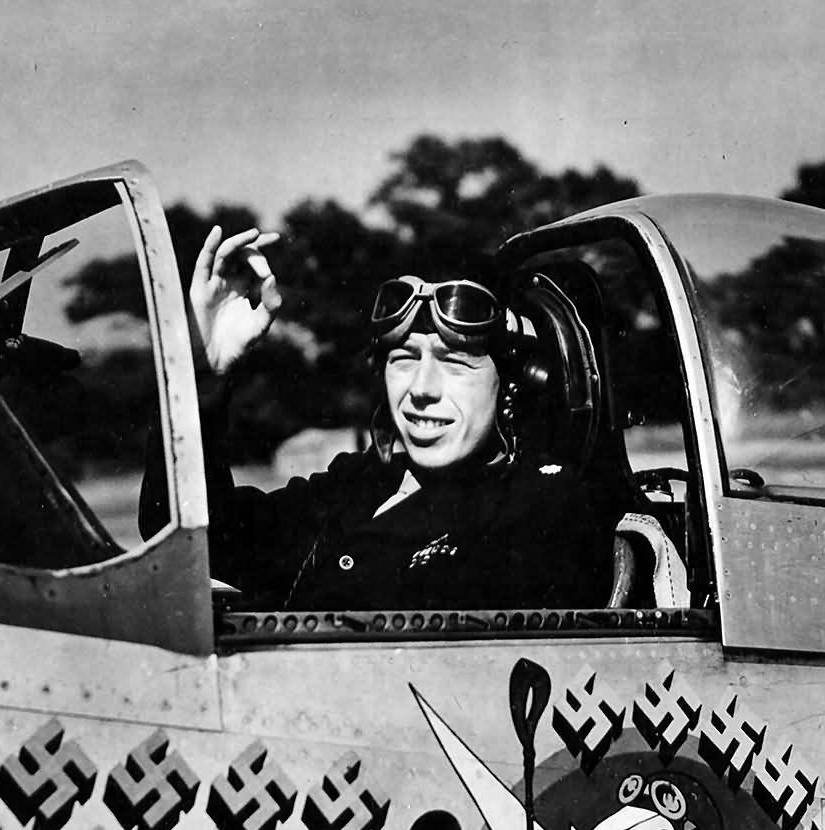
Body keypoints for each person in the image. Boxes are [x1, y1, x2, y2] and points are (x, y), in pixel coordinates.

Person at [139, 226, 624, 611]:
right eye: (404, 359)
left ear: (515, 382)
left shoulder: (547, 511)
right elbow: (184, 534)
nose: (422, 389)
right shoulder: (362, 485)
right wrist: (203, 378)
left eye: (456, 362)